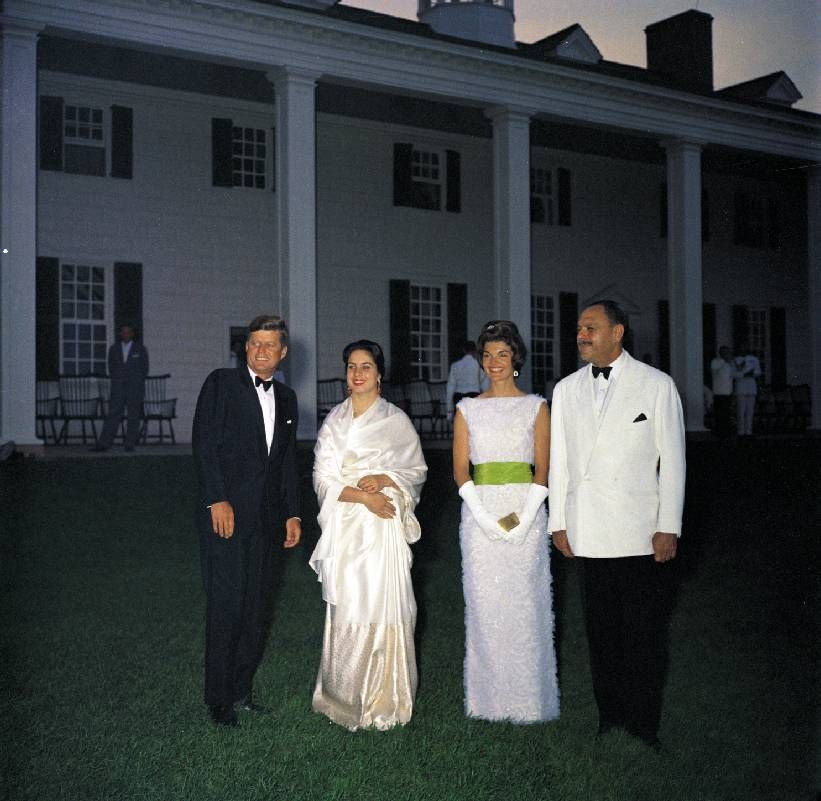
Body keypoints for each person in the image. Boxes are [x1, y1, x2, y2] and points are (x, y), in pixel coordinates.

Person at [548, 300, 685, 751]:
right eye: (579, 329)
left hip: (640, 533)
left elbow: (674, 463)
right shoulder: (566, 389)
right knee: (601, 633)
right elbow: (561, 462)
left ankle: (645, 724)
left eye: (591, 327)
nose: (581, 335)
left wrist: (669, 525)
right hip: (590, 532)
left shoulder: (656, 385)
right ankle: (611, 718)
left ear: (618, 332)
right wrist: (560, 522)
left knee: (644, 635)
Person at [309, 340, 427, 731]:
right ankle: (342, 696)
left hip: (381, 531)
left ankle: (384, 698)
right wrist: (363, 497)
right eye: (351, 367)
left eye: (366, 366)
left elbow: (415, 471)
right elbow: (322, 478)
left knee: (381, 604)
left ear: (379, 374)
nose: (357, 373)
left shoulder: (396, 421)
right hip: (347, 526)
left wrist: (386, 479)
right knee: (350, 603)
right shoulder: (334, 422)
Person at [192, 314, 301, 727]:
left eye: (269, 345)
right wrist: (216, 499)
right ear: (246, 347)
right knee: (227, 605)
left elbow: (287, 461)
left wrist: (292, 512)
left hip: (269, 521)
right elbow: (204, 443)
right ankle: (218, 698)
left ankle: (240, 688)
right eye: (254, 343)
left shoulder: (288, 399)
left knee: (256, 608)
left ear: (282, 352)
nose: (260, 351)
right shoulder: (221, 383)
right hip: (227, 517)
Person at [452, 320, 559, 723]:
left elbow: (543, 470)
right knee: (484, 605)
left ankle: (530, 703)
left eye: (502, 354)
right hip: (478, 516)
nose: (494, 362)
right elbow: (461, 470)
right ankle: (486, 704)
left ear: (515, 358)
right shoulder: (467, 409)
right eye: (487, 355)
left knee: (524, 606)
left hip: (525, 512)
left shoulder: (536, 407)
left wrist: (526, 517)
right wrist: (482, 516)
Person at [92, 324, 149, 452]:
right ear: (120, 334)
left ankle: (130, 444)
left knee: (133, 416)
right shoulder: (114, 349)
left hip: (134, 388)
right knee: (113, 414)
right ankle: (105, 443)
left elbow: (144, 369)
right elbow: (111, 367)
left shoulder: (140, 349)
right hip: (118, 388)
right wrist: (118, 381)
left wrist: (136, 383)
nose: (126, 334)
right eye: (123, 332)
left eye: (128, 332)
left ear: (132, 334)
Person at [445, 340, 489, 419]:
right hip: (473, 395)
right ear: (475, 350)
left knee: (460, 422)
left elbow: (450, 387)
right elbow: (485, 385)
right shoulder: (479, 365)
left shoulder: (455, 365)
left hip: (458, 396)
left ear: (464, 350)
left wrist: (449, 409)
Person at [733, 343, 761, 437]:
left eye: (744, 347)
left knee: (750, 411)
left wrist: (753, 374)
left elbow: (758, 372)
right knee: (741, 411)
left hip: (751, 387)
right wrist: (744, 374)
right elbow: (733, 374)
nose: (743, 349)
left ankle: (749, 432)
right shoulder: (735, 360)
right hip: (740, 387)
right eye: (741, 347)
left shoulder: (754, 359)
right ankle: (740, 432)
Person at [710, 345, 734, 438]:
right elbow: (715, 371)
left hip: (728, 392)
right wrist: (725, 361)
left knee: (727, 414)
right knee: (720, 415)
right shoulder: (716, 362)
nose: (728, 354)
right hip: (719, 393)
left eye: (728, 352)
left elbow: (733, 375)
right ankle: (719, 433)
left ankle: (726, 433)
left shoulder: (730, 363)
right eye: (726, 352)